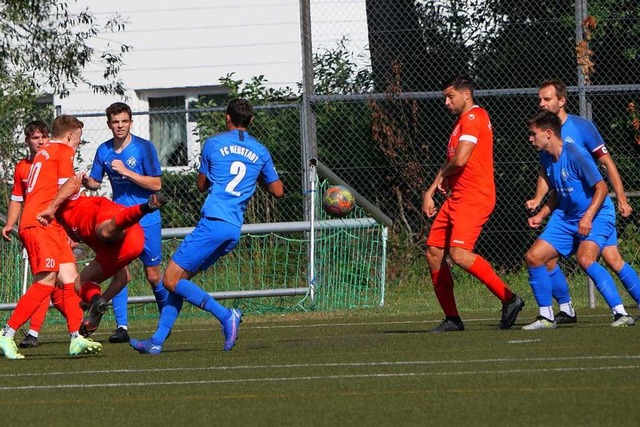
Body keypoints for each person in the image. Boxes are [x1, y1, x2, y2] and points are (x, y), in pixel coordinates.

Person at [130, 98, 284, 354]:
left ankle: (226, 316)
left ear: (227, 117)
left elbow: (201, 185)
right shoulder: (261, 151)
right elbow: (278, 191)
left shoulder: (213, 144)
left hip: (213, 222)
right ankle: (156, 342)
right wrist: (254, 177)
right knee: (180, 281)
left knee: (169, 278)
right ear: (251, 121)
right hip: (233, 228)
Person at [526, 79, 640, 323]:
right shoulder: (545, 142)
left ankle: (620, 313)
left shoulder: (581, 130)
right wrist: (539, 203)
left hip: (594, 209)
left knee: (606, 259)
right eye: (540, 99)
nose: (542, 103)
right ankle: (565, 310)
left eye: (547, 99)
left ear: (561, 101)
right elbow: (551, 177)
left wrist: (621, 199)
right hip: (568, 211)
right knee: (544, 257)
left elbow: (606, 168)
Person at [422, 75, 525, 333]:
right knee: (434, 253)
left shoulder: (473, 117)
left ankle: (510, 298)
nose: (446, 102)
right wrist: (433, 189)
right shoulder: (459, 124)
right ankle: (453, 319)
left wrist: (437, 183)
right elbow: (453, 162)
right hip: (456, 197)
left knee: (459, 254)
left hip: (474, 196)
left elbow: (460, 160)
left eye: (450, 96)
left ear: (466, 95)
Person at [0, 115, 101, 359]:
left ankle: (76, 337)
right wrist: (81, 185)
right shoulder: (62, 151)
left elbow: (57, 186)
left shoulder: (46, 153)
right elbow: (66, 188)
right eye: (77, 138)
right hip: (41, 222)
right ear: (69, 135)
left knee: (71, 281)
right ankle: (7, 334)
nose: (77, 143)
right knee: (45, 284)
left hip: (50, 225)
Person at [36, 175, 165, 337]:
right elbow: (123, 278)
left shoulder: (60, 197)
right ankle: (96, 305)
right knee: (80, 282)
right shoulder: (63, 224)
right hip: (129, 241)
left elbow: (73, 181)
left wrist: (51, 207)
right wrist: (96, 301)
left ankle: (144, 208)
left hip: (116, 224)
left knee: (106, 231)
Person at [82, 102, 167, 344]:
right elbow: (96, 183)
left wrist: (128, 172)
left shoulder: (143, 148)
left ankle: (166, 321)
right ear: (109, 124)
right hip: (119, 219)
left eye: (124, 121)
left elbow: (156, 185)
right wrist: (85, 181)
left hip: (146, 218)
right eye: (115, 122)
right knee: (118, 271)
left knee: (153, 276)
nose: (120, 126)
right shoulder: (104, 150)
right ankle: (121, 326)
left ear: (130, 122)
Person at [1, 121, 69, 348]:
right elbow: (17, 198)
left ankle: (79, 327)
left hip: (57, 228)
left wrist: (71, 228)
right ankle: (32, 331)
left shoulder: (54, 157)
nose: (40, 141)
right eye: (35, 138)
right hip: (40, 227)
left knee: (64, 280)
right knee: (46, 280)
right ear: (27, 141)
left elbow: (65, 193)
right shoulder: (23, 167)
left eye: (44, 136)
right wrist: (10, 224)